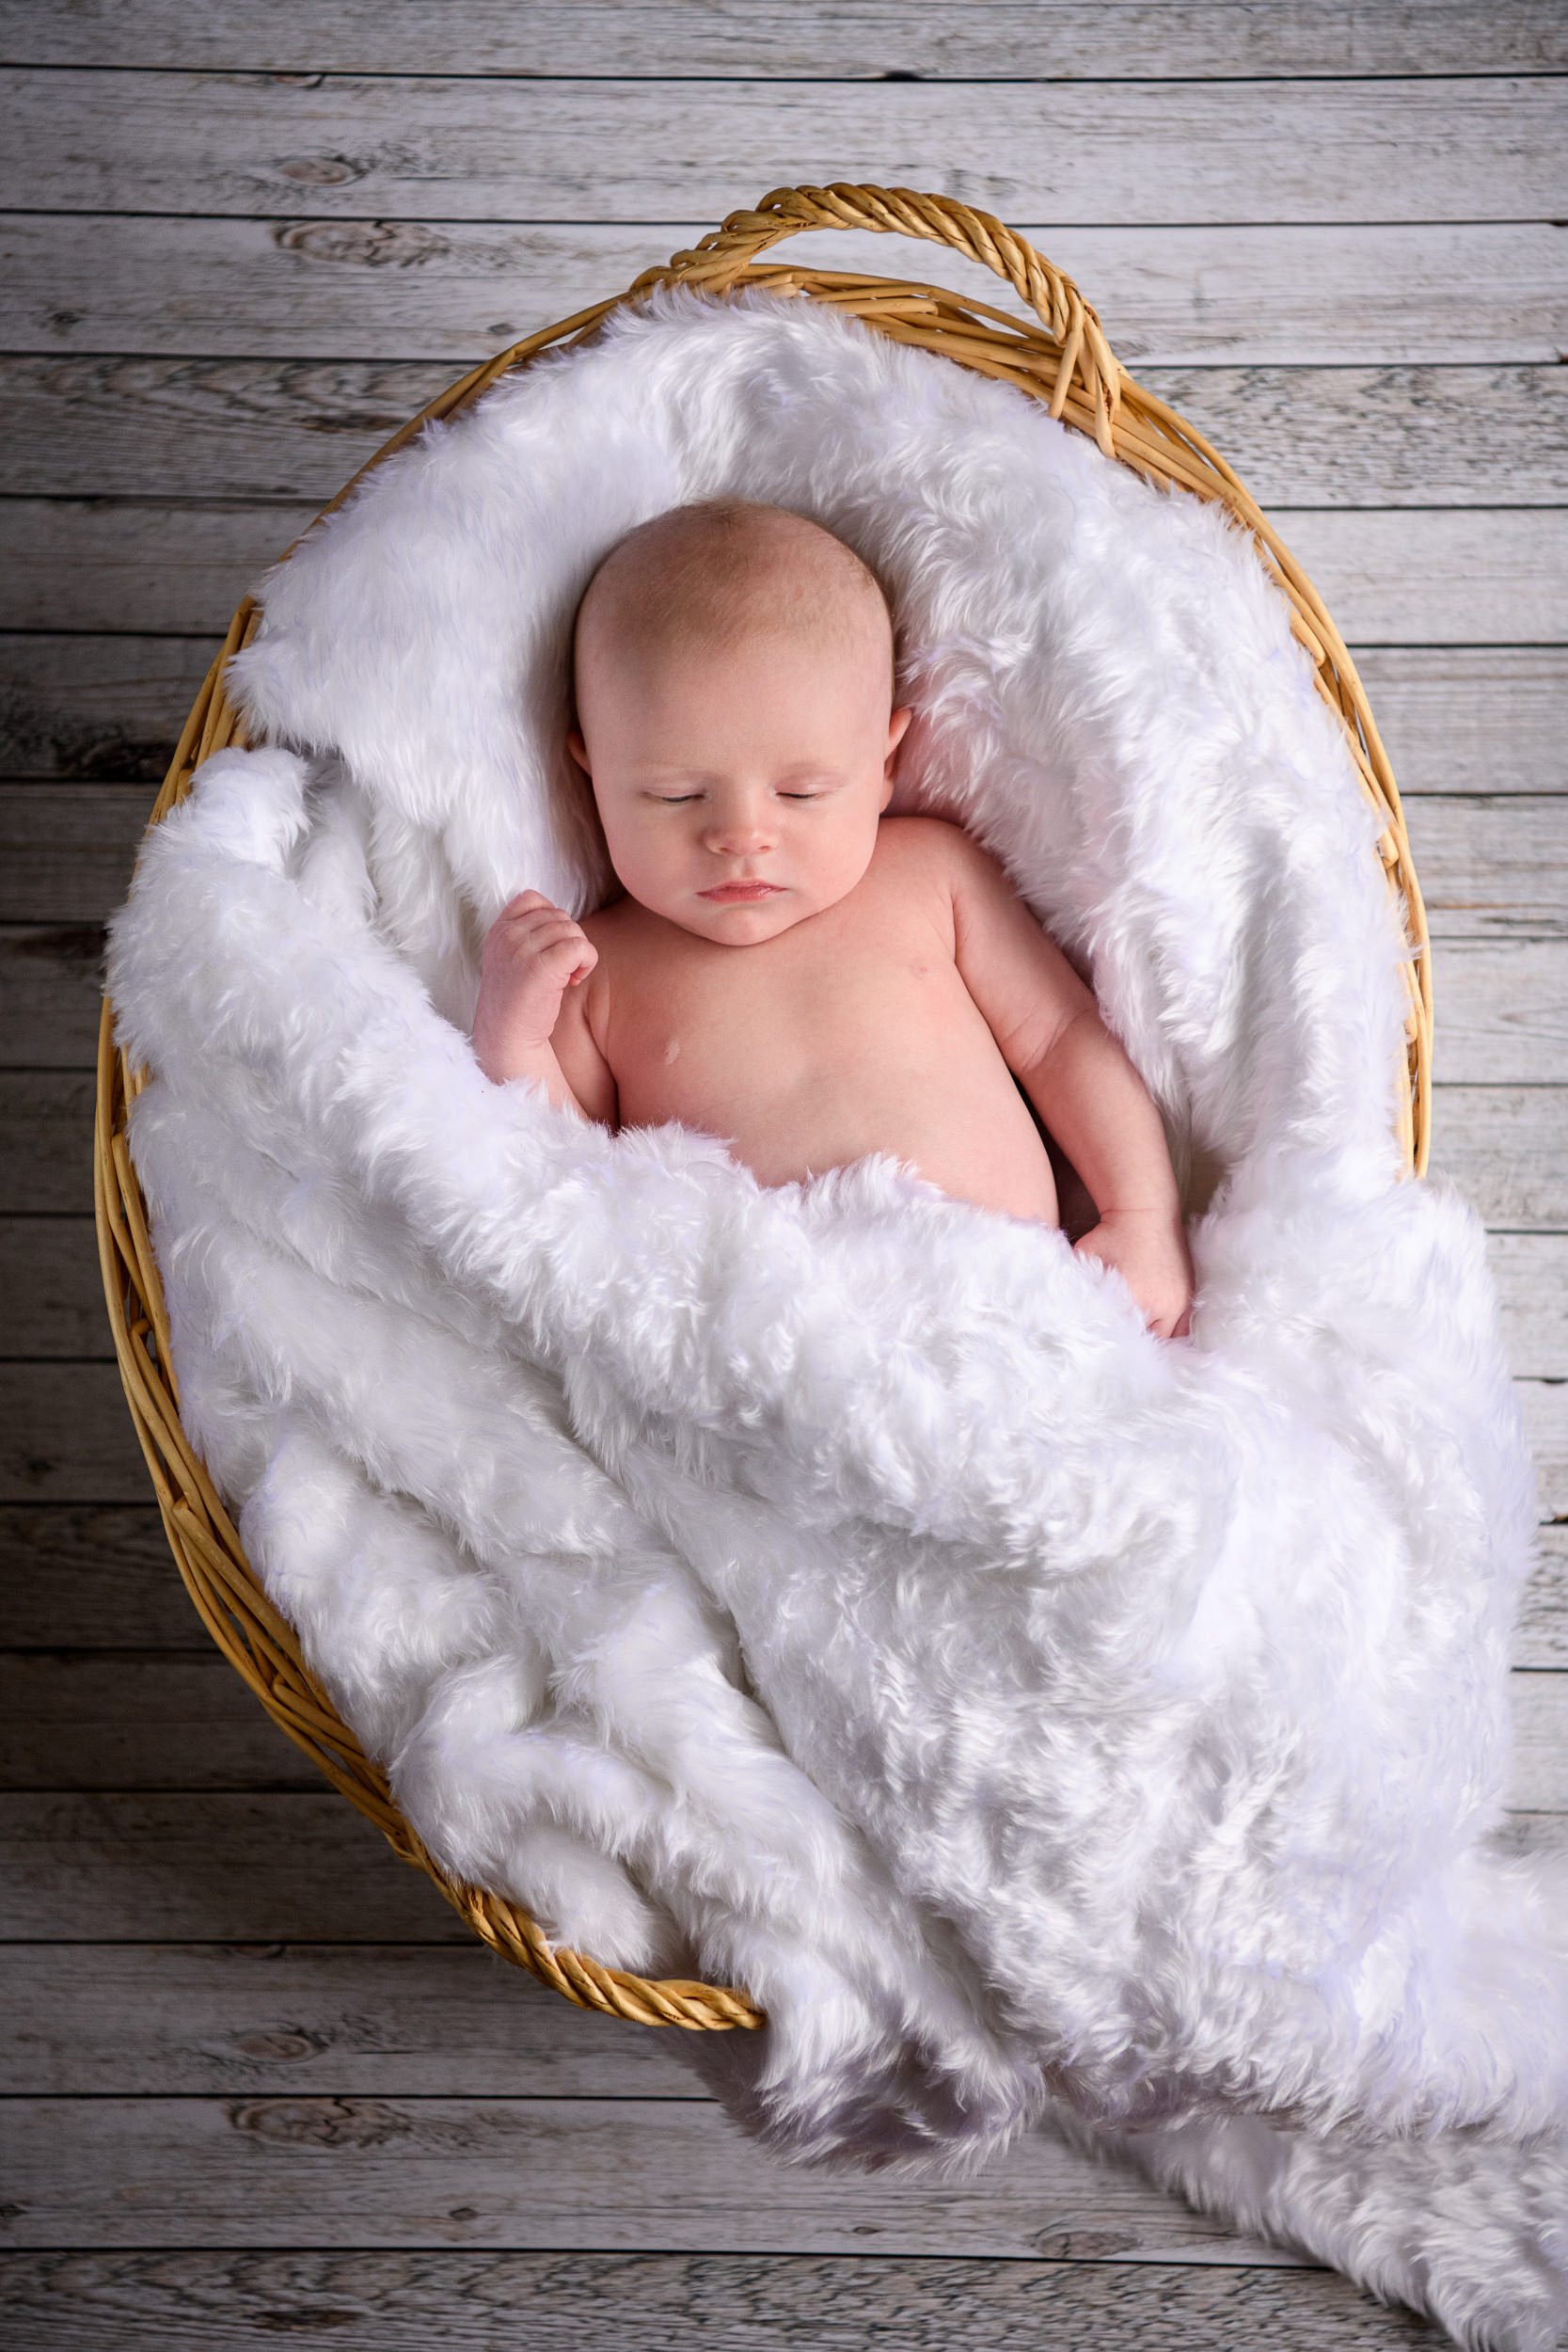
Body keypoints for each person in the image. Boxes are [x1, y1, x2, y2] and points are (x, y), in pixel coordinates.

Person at [470, 498, 1194, 1339]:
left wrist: (1141, 1214)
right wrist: (512, 1037)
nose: (740, 837)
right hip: (772, 1355)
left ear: (883, 764)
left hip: (1010, 1315)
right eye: (675, 794)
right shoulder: (599, 969)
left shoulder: (930, 875)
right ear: (590, 774)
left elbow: (1060, 1038)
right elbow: (569, 1177)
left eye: (801, 792)